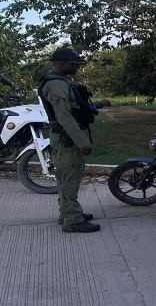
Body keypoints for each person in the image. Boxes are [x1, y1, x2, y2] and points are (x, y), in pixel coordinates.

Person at [38, 48, 110, 233]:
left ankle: (68, 213)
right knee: (69, 179)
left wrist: (101, 104)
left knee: (66, 178)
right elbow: (64, 116)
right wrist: (82, 141)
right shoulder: (56, 84)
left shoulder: (61, 82)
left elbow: (77, 107)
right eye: (75, 64)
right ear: (62, 63)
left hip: (65, 136)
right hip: (67, 137)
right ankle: (73, 220)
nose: (78, 67)